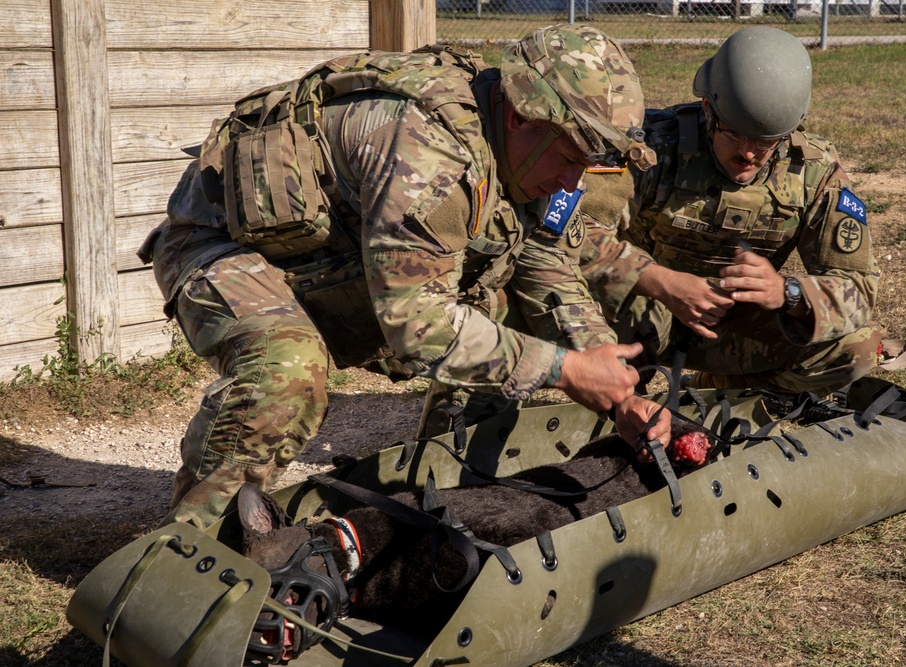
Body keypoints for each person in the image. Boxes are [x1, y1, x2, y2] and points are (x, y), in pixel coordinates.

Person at [138, 24, 667, 529]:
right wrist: (563, 368)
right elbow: (419, 330)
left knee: (501, 317)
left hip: (333, 256)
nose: (573, 181)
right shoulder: (430, 154)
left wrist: (610, 380)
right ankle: (190, 548)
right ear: (521, 118)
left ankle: (448, 493)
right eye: (570, 157)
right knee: (288, 364)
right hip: (221, 248)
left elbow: (546, 263)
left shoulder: (521, 152)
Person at [578, 26, 883, 398]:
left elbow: (860, 288)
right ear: (708, 109)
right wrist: (663, 282)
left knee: (856, 347)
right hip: (642, 311)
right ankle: (622, 402)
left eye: (765, 141)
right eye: (733, 134)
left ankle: (724, 392)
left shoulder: (814, 171)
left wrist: (786, 292)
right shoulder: (654, 148)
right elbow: (576, 234)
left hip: (732, 328)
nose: (748, 153)